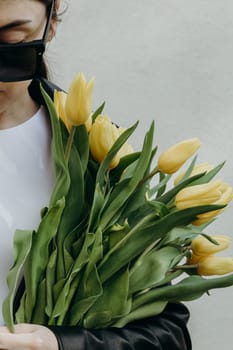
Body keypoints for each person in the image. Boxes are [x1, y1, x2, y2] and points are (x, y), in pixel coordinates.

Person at [0, 0, 192, 349]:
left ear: (51, 19)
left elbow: (169, 336)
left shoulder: (103, 162)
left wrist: (61, 344)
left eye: (13, 43)